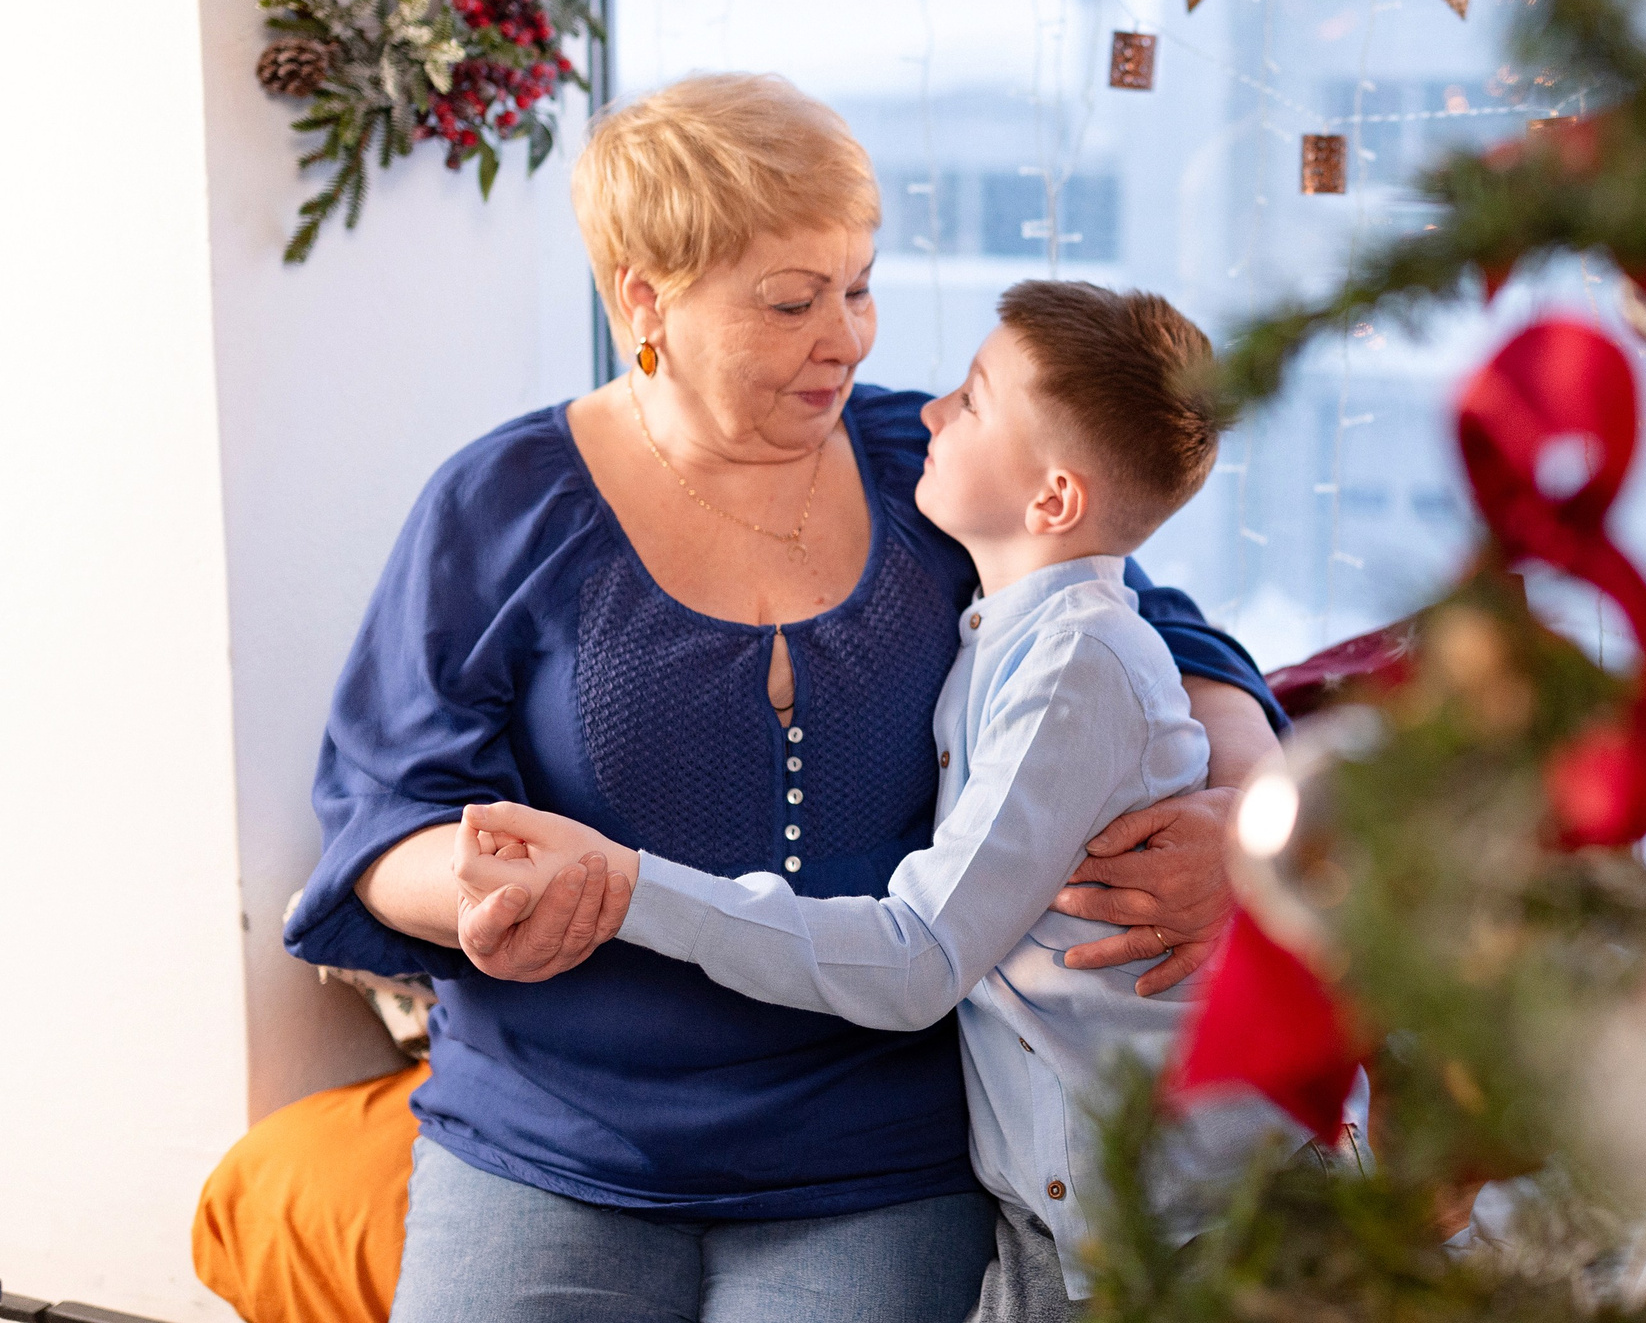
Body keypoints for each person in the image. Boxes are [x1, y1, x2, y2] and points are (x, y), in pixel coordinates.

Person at [280, 74, 1282, 1323]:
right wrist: (487, 893)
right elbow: (384, 812)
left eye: (857, 286)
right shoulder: (500, 501)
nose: (850, 337)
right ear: (647, 299)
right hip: (552, 1135)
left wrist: (1240, 818)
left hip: (873, 1150)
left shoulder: (937, 467)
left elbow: (1168, 639)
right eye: (793, 302)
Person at [457, 280, 1298, 1322]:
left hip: (1184, 1222)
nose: (930, 415)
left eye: (972, 398)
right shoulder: (1010, 636)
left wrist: (622, 884)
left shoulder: (1077, 665)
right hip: (1084, 1206)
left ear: (1053, 501)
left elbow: (916, 958)